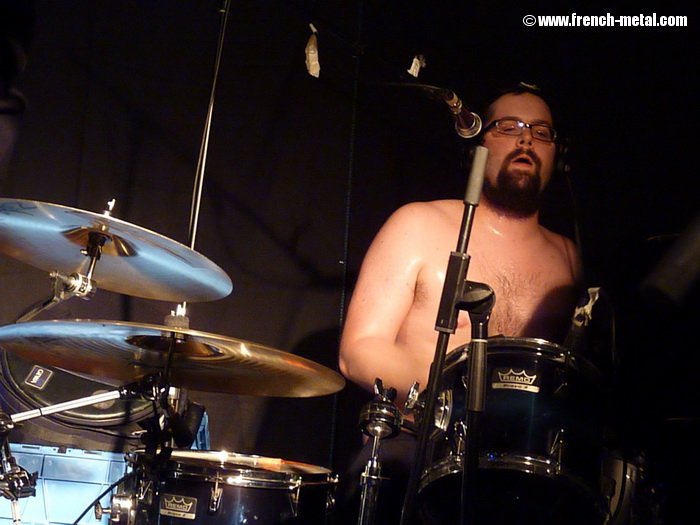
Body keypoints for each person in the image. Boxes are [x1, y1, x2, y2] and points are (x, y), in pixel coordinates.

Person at [337, 83, 584, 523]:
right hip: (419, 445)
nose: (526, 139)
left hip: (525, 462)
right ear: (478, 144)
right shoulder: (419, 223)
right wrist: (457, 401)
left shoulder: (568, 256)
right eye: (509, 127)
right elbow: (359, 350)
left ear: (557, 155)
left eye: (541, 132)